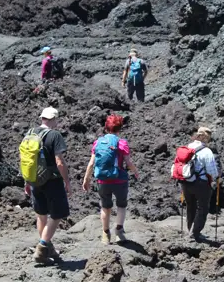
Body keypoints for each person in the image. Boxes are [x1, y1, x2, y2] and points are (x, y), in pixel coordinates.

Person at [82, 115, 140, 245]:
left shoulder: (98, 142)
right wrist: (135, 172)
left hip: (103, 181)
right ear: (120, 128)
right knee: (121, 205)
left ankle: (105, 234)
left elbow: (91, 163)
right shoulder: (122, 143)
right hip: (119, 180)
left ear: (106, 127)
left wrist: (86, 179)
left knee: (105, 207)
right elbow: (128, 162)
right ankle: (119, 232)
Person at [26, 107, 71, 264]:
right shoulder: (54, 135)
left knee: (41, 214)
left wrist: (26, 181)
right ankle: (42, 247)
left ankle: (48, 248)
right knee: (58, 214)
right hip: (51, 181)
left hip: (34, 180)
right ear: (53, 119)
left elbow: (27, 160)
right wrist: (66, 181)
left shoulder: (30, 133)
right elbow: (59, 161)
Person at [181, 127, 219, 242]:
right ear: (204, 137)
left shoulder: (188, 147)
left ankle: (190, 230)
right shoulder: (207, 151)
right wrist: (216, 178)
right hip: (201, 183)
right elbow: (212, 171)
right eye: (208, 137)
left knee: (190, 206)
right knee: (202, 208)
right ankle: (195, 233)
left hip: (186, 182)